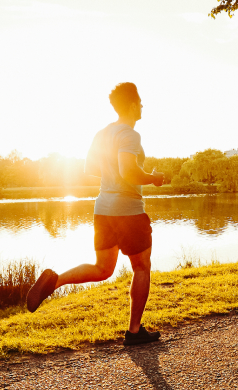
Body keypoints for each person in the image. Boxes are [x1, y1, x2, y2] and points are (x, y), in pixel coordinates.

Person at [26, 82, 166, 346]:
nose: (143, 106)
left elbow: (90, 169)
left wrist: (112, 174)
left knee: (103, 268)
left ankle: (55, 281)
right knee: (142, 266)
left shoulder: (101, 134)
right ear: (133, 104)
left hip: (103, 209)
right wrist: (154, 178)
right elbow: (129, 172)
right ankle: (134, 332)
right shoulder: (130, 135)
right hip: (128, 211)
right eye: (140, 102)